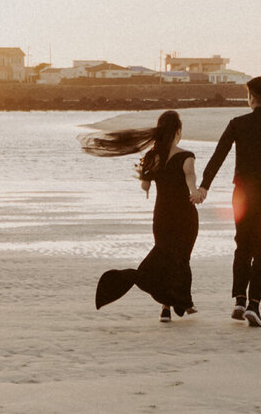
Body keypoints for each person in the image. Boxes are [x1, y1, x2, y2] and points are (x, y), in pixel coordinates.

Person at [78, 109, 199, 321]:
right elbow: (191, 182)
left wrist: (149, 186)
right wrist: (196, 193)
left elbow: (145, 184)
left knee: (165, 256)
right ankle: (179, 301)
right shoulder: (186, 157)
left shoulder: (152, 157)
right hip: (185, 216)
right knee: (181, 258)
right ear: (178, 130)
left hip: (161, 216)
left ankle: (169, 307)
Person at [195, 76, 261, 326]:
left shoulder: (237, 124)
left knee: (242, 246)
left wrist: (204, 186)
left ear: (251, 96)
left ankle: (239, 300)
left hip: (242, 195)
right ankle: (254, 305)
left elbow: (218, 156)